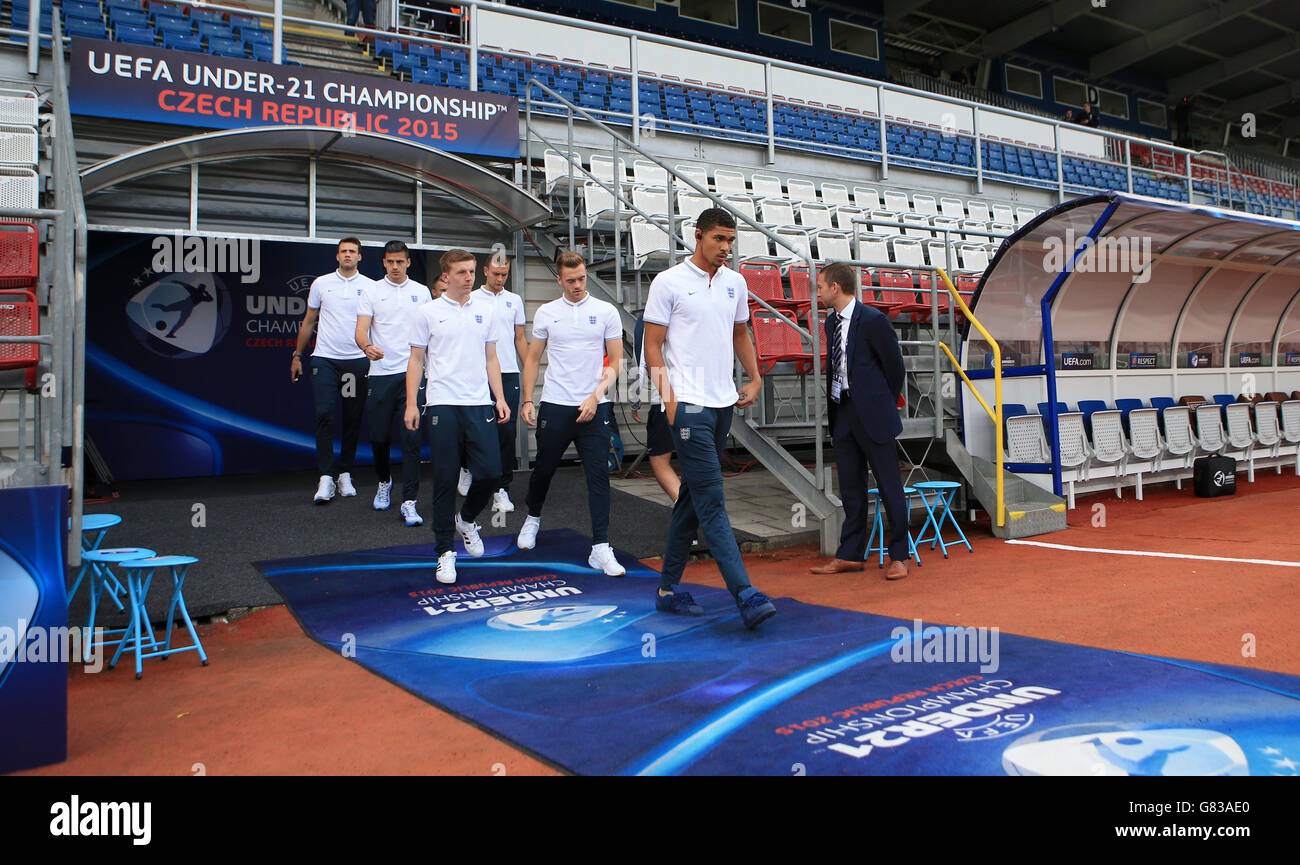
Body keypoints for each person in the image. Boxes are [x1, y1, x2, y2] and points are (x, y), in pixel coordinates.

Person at [642, 207, 776, 629]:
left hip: (722, 406)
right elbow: (652, 346)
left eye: (731, 241)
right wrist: (669, 402)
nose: (726, 248)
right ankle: (746, 595)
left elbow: (741, 333)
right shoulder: (668, 282)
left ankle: (666, 591)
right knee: (713, 501)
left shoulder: (735, 283)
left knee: (691, 501)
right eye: (719, 239)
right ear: (697, 236)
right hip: (689, 407)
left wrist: (754, 378)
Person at [516, 252, 625, 575]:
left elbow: (617, 362)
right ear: (559, 280)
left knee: (598, 476)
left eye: (581, 278)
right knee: (544, 470)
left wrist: (595, 397)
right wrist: (527, 399)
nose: (578, 285)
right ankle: (532, 518)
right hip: (555, 404)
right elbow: (533, 359)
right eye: (571, 280)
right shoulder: (548, 312)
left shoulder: (606, 311)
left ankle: (601, 547)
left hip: (596, 406)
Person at [405, 249, 509, 585]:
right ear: (446, 277)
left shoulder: (486, 310)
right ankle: (445, 553)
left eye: (471, 271)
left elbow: (491, 358)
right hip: (442, 404)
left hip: (479, 404)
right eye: (462, 272)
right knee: (446, 479)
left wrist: (500, 397)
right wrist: (411, 403)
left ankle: (466, 520)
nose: (469, 278)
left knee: (492, 473)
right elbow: (416, 361)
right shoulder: (427, 313)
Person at [808, 263, 909, 580]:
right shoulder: (831, 322)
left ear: (836, 287)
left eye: (821, 286)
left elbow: (895, 370)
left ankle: (898, 557)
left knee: (890, 486)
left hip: (874, 414)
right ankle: (850, 554)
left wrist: (881, 403)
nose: (818, 291)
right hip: (843, 411)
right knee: (851, 489)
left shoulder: (874, 320)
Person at [355, 240, 431, 525]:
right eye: (390, 262)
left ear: (408, 263)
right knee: (379, 437)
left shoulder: (422, 292)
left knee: (412, 439)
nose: (396, 266)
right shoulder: (371, 291)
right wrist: (366, 347)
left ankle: (409, 501)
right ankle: (384, 481)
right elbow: (361, 330)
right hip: (381, 374)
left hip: (412, 376)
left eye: (401, 261)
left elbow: (430, 333)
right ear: (384, 263)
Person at [292, 237, 373, 504]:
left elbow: (381, 326)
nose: (348, 255)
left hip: (355, 361)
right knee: (325, 414)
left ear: (360, 257)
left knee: (352, 418)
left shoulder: (370, 287)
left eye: (352, 252)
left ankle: (345, 473)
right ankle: (326, 477)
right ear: (337, 256)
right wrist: (297, 355)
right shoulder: (321, 284)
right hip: (325, 359)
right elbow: (308, 321)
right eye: (343, 252)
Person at [459, 254, 528, 512]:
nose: (500, 279)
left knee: (506, 432)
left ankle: (501, 489)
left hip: (508, 373)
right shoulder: (471, 298)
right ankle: (467, 467)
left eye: (504, 275)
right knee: (474, 428)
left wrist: (529, 366)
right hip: (478, 373)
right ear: (485, 271)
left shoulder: (515, 301)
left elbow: (519, 338)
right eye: (496, 274)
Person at [630, 312, 680, 503]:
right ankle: (697, 513)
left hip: (666, 401)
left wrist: (635, 401)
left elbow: (640, 361)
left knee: (660, 461)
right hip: (701, 400)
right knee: (698, 463)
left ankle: (686, 509)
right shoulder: (699, 310)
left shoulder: (649, 317)